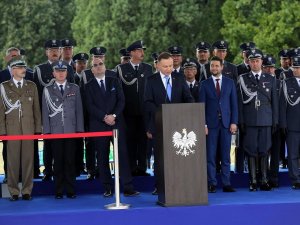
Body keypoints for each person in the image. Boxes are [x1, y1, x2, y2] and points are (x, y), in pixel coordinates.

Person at [84, 57, 139, 197]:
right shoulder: (88, 86)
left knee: (122, 156)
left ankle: (127, 187)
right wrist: (104, 117)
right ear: (92, 70)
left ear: (105, 66)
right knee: (102, 157)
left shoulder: (114, 81)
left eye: (101, 64)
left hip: (117, 124)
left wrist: (113, 116)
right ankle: (107, 188)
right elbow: (90, 106)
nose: (98, 67)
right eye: (95, 65)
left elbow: (122, 101)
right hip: (99, 126)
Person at [144, 52, 194, 194]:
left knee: (177, 157)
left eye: (171, 66)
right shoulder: (151, 80)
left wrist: (187, 110)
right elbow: (147, 102)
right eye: (165, 66)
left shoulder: (179, 78)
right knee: (160, 158)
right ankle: (159, 186)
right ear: (158, 65)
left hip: (178, 125)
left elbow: (188, 98)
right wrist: (162, 113)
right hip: (159, 125)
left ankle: (177, 184)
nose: (168, 69)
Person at [0, 56, 41, 201]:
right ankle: (13, 191)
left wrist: (37, 128)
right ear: (13, 70)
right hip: (11, 130)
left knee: (28, 161)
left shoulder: (31, 86)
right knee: (12, 161)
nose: (24, 70)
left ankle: (27, 190)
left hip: (28, 129)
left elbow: (36, 110)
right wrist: (2, 131)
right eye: (20, 67)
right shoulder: (4, 87)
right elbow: (0, 111)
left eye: (24, 67)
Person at [33, 39, 74, 182]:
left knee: (66, 147)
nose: (55, 52)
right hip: (48, 114)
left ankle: (66, 172)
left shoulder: (68, 68)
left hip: (65, 116)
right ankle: (48, 171)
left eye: (57, 49)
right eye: (51, 50)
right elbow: (37, 94)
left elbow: (72, 90)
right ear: (46, 52)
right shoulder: (39, 69)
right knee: (48, 144)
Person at [237, 49, 278, 191]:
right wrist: (241, 120)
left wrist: (275, 121)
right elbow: (239, 102)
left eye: (257, 61)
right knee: (251, 150)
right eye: (252, 61)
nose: (255, 63)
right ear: (248, 62)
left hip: (266, 120)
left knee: (265, 150)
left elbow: (275, 103)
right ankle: (253, 180)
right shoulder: (243, 78)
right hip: (249, 121)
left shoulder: (271, 79)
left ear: (261, 62)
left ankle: (265, 180)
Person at [42, 60, 84, 199]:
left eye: (63, 71)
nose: (61, 74)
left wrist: (80, 130)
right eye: (58, 71)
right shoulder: (47, 90)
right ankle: (59, 190)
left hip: (71, 130)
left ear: (67, 72)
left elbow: (79, 110)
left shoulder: (74, 88)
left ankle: (71, 190)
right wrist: (47, 131)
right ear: (53, 73)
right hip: (55, 131)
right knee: (58, 161)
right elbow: (45, 112)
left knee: (70, 161)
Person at [199, 56, 238, 193]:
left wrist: (234, 122)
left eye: (216, 66)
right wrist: (203, 125)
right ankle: (212, 183)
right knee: (210, 156)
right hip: (210, 126)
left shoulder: (230, 83)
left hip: (227, 125)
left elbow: (234, 104)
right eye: (212, 66)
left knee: (226, 155)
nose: (214, 68)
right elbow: (201, 106)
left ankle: (226, 183)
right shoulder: (204, 84)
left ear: (222, 67)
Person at [115, 40, 153, 176]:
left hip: (144, 112)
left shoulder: (148, 68)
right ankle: (131, 168)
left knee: (143, 141)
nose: (142, 53)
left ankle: (142, 168)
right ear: (131, 53)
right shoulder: (121, 69)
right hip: (128, 113)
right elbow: (118, 92)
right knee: (129, 140)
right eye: (138, 51)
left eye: (142, 50)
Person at [279, 56, 300, 189]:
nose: (295, 70)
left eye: (298, 68)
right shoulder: (286, 83)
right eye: (294, 68)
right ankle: (295, 179)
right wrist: (283, 123)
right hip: (292, 123)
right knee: (292, 153)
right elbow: (282, 105)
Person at [262, 55, 282, 188]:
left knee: (275, 151)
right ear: (263, 68)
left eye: (272, 67)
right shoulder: (258, 83)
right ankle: (262, 176)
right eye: (267, 67)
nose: (269, 70)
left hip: (277, 123)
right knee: (263, 150)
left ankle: (273, 177)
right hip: (263, 122)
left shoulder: (280, 83)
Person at [73, 53, 89, 176]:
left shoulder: (90, 77)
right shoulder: (71, 77)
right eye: (80, 63)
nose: (82, 65)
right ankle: (77, 166)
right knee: (76, 142)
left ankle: (89, 167)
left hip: (88, 114)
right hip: (75, 115)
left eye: (84, 63)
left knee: (89, 142)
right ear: (75, 64)